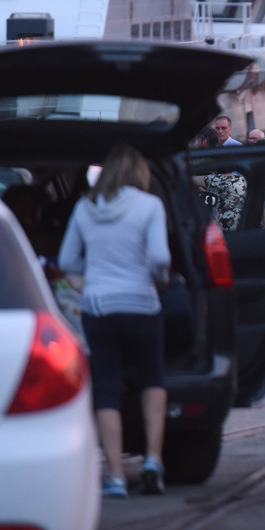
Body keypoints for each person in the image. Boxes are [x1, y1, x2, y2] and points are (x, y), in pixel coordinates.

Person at [57, 145, 172, 498]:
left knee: (107, 388)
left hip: (98, 308)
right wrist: (160, 279)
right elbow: (160, 259)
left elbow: (66, 260)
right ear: (138, 174)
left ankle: (117, 475)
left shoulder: (85, 208)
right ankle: (153, 460)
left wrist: (91, 276)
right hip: (141, 304)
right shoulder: (149, 205)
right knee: (151, 378)